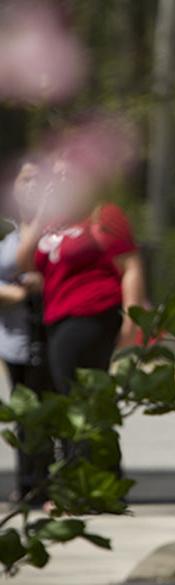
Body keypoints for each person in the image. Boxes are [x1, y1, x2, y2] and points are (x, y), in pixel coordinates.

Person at [15, 154, 146, 477]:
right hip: (57, 318)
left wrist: (133, 316)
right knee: (79, 397)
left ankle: (86, 479)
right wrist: (43, 209)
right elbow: (25, 261)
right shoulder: (52, 221)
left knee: (77, 396)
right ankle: (101, 476)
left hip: (91, 313)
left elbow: (130, 265)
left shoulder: (103, 214)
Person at [2, 160, 52, 504]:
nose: (31, 186)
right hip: (11, 337)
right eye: (25, 180)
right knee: (22, 412)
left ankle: (48, 483)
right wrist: (12, 293)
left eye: (39, 180)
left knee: (46, 409)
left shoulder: (55, 227)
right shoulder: (6, 231)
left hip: (48, 334)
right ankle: (26, 482)